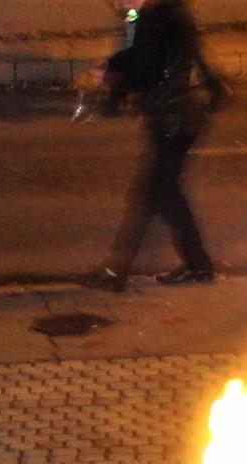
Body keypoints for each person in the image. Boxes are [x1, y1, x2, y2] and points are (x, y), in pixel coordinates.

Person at [86, 0, 228, 292]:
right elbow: (140, 53)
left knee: (148, 196)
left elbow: (145, 70)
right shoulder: (162, 13)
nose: (118, 4)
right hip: (176, 118)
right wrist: (112, 64)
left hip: (172, 120)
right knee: (165, 196)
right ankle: (197, 265)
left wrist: (112, 82)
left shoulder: (155, 19)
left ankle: (115, 273)